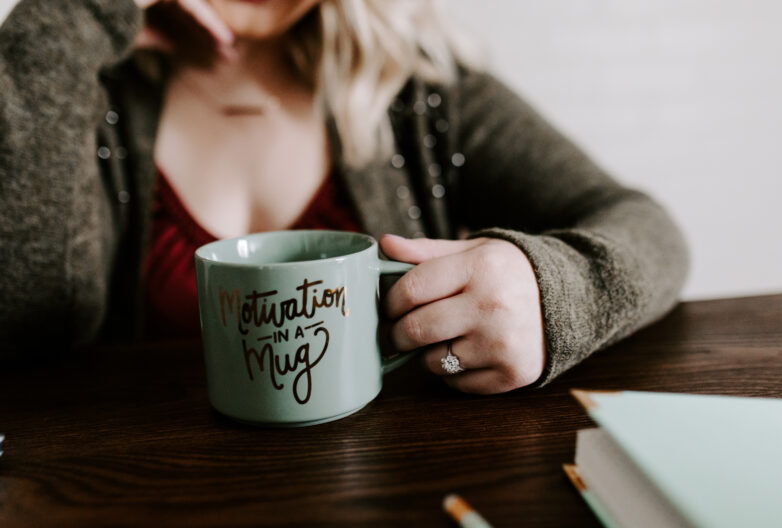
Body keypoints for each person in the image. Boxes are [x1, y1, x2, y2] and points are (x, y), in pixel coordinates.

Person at [0, 0, 689, 394]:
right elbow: (26, 324)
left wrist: (551, 290)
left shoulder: (422, 92)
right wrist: (72, 17)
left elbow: (647, 230)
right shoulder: (78, 89)